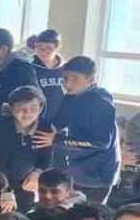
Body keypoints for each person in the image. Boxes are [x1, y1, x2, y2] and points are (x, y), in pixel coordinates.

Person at [42, 56, 120, 205]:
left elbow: (101, 142)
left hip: (97, 175)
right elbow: (58, 122)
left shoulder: (102, 103)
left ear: (90, 79)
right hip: (76, 170)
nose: (68, 83)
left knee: (89, 215)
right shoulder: (72, 96)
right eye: (65, 78)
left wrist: (57, 140)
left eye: (75, 79)